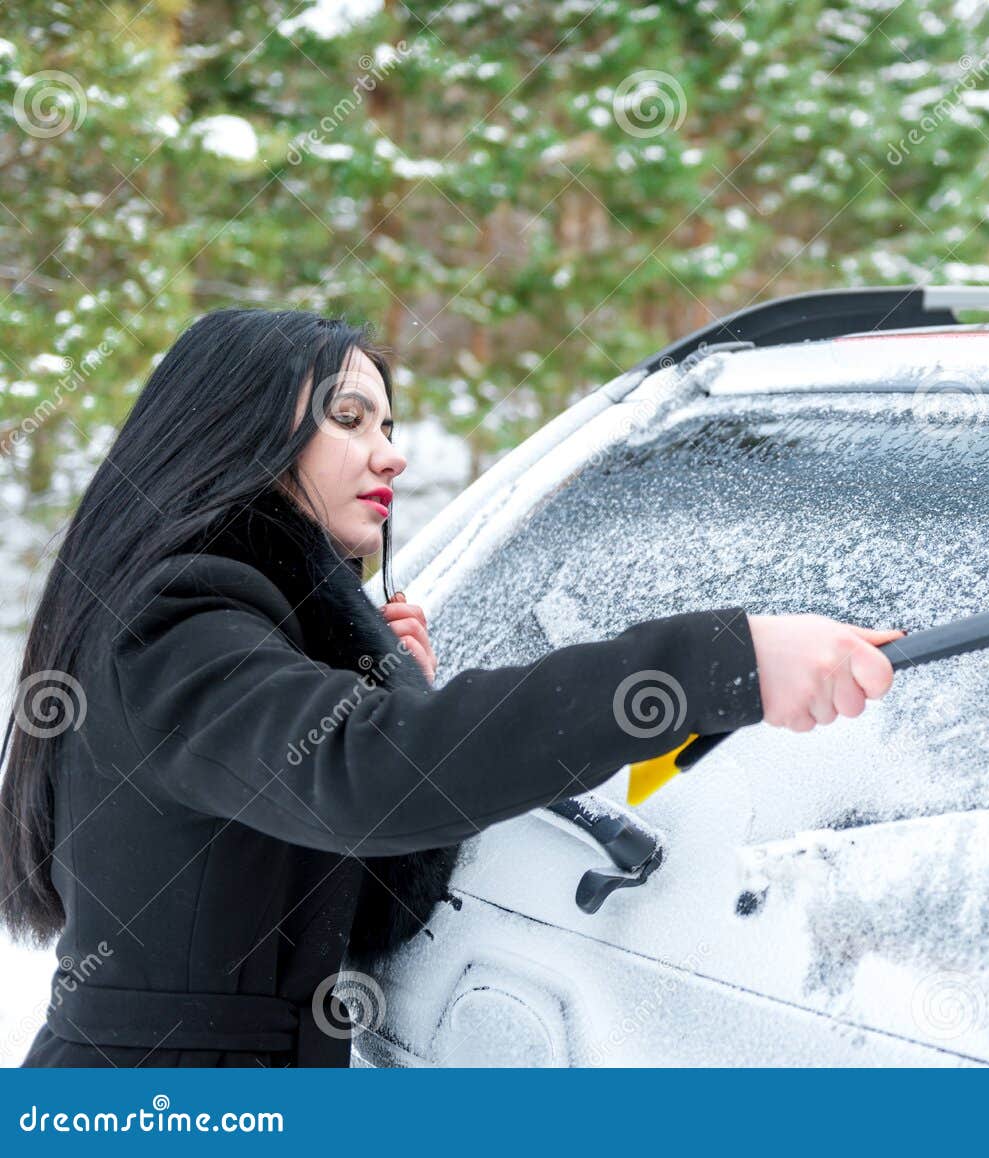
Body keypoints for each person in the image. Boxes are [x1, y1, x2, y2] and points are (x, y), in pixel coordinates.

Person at [0, 309, 901, 1066]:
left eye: (388, 426)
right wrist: (714, 664)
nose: (389, 453)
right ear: (234, 430)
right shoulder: (177, 619)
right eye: (349, 419)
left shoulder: (240, 624)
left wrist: (387, 693)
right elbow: (366, 778)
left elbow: (370, 880)